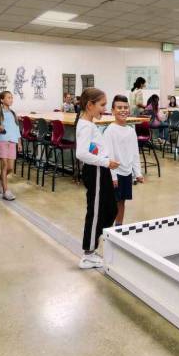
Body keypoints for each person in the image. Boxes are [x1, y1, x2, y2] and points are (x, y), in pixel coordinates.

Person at [75, 87, 121, 269]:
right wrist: (106, 162)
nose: (105, 108)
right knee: (96, 212)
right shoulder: (86, 125)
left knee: (110, 209)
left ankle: (94, 243)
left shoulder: (89, 123)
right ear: (90, 105)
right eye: (102, 105)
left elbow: (92, 148)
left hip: (101, 171)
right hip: (96, 172)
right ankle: (88, 253)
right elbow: (81, 154)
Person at [104, 95, 144, 227]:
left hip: (127, 173)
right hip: (115, 174)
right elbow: (108, 155)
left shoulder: (131, 131)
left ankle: (119, 228)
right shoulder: (110, 130)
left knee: (122, 202)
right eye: (119, 107)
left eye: (125, 107)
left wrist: (137, 173)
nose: (123, 110)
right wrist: (113, 176)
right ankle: (108, 230)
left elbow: (134, 153)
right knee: (112, 204)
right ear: (112, 111)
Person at [0, 91, 21, 201]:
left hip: (13, 142)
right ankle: (6, 191)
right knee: (4, 166)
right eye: (9, 98)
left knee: (10, 168)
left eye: (11, 98)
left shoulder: (13, 114)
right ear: (2, 100)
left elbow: (17, 129)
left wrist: (19, 143)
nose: (11, 99)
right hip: (2, 141)